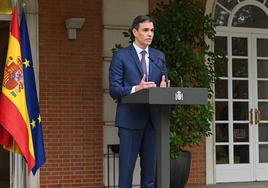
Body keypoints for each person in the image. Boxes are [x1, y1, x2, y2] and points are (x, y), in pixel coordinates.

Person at [109, 15, 168, 188]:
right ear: (135, 32)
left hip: (153, 121)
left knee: (150, 175)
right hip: (130, 121)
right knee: (126, 173)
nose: (150, 34)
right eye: (145, 30)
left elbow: (164, 81)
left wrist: (164, 88)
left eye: (152, 30)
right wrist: (137, 88)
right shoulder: (120, 56)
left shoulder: (158, 56)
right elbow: (114, 90)